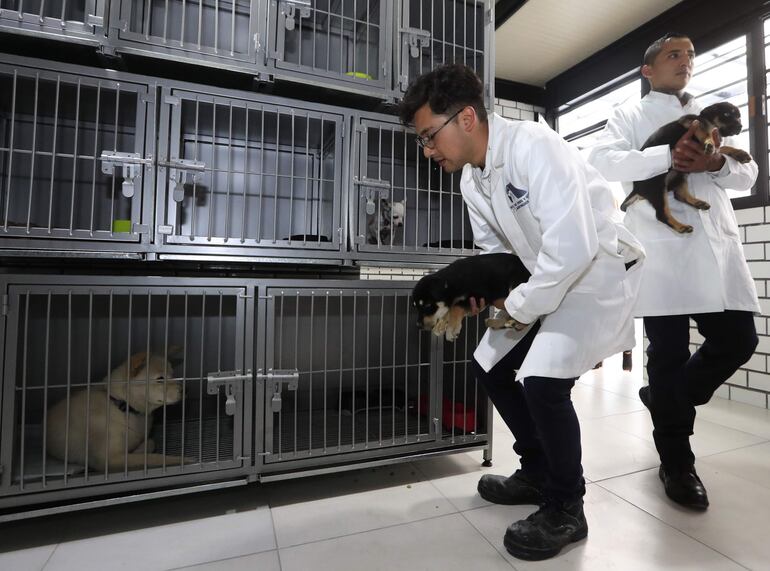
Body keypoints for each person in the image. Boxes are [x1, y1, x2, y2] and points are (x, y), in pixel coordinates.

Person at [398, 64, 644, 561]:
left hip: (594, 274)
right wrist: (487, 296)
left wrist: (518, 306)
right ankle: (536, 471)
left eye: (429, 137)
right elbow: (498, 256)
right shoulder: (472, 180)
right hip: (544, 280)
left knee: (542, 381)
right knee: (490, 364)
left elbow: (572, 249)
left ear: (467, 118)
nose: (427, 151)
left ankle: (566, 506)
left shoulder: (534, 145)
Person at [587, 33, 759, 510]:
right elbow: (602, 160)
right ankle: (677, 462)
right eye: (673, 55)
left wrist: (717, 161)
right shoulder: (630, 114)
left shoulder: (711, 114)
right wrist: (669, 156)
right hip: (663, 247)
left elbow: (749, 176)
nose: (685, 61)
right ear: (648, 70)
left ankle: (664, 399)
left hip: (716, 247)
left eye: (690, 55)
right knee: (666, 354)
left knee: (739, 341)